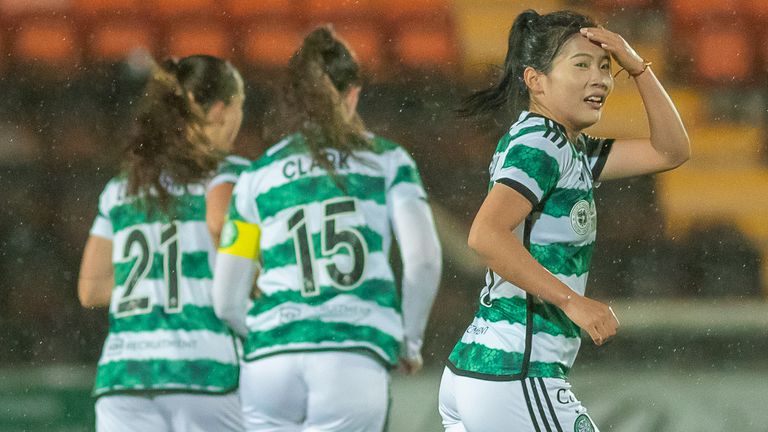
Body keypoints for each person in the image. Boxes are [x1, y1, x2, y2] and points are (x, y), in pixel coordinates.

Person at [438, 10, 690, 432]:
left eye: (605, 68)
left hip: (483, 369)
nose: (600, 79)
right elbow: (485, 235)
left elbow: (671, 151)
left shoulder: (568, 148)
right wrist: (573, 301)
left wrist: (637, 65)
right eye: (581, 65)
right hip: (516, 373)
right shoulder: (543, 143)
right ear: (536, 80)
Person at [212, 25, 442, 432]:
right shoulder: (387, 161)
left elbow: (226, 301)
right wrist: (409, 341)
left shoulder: (257, 176)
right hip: (351, 352)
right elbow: (422, 260)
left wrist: (273, 331)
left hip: (269, 365)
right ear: (352, 93)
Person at [77, 54, 247, 432]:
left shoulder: (122, 189)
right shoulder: (234, 178)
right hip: (205, 373)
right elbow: (230, 240)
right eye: (239, 107)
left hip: (126, 376)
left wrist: (157, 285)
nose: (239, 120)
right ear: (219, 110)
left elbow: (91, 289)